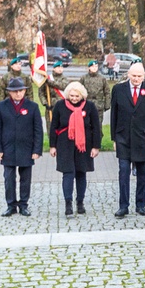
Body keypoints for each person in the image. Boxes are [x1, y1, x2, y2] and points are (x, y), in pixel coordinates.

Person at [110, 63, 145, 217]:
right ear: (128, 75)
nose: (136, 79)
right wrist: (114, 138)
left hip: (143, 138)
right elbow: (114, 115)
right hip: (123, 138)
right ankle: (123, 206)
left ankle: (140, 204)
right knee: (123, 172)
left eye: (139, 76)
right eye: (134, 76)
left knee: (142, 173)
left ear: (144, 76)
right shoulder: (118, 90)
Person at [48, 83, 102, 217]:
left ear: (82, 95)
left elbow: (96, 127)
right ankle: (68, 203)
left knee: (81, 173)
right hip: (64, 144)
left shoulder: (89, 106)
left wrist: (96, 146)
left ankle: (80, 202)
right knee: (68, 173)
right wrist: (52, 146)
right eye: (71, 96)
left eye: (77, 96)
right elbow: (54, 126)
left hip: (84, 144)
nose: (74, 98)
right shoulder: (60, 106)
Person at [0, 78, 42, 216]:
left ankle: (24, 204)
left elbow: (38, 129)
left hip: (26, 148)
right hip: (8, 148)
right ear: (9, 92)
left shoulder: (32, 106)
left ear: (25, 91)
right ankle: (11, 205)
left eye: (21, 91)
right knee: (9, 178)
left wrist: (37, 150)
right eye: (15, 92)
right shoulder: (1, 106)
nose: (18, 94)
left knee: (25, 178)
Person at [79, 60, 110, 128]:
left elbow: (107, 92)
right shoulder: (84, 78)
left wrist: (107, 104)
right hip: (86, 105)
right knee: (86, 125)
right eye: (92, 66)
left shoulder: (102, 79)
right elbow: (79, 91)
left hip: (99, 106)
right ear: (89, 68)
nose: (94, 68)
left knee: (98, 126)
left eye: (96, 66)